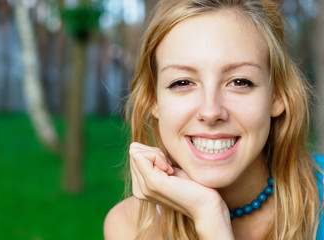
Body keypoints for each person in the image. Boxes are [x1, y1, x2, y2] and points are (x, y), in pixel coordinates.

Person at [104, 0, 324, 239]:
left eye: (239, 82)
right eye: (182, 82)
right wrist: (207, 210)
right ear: (154, 101)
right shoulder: (128, 227)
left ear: (277, 96)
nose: (210, 112)